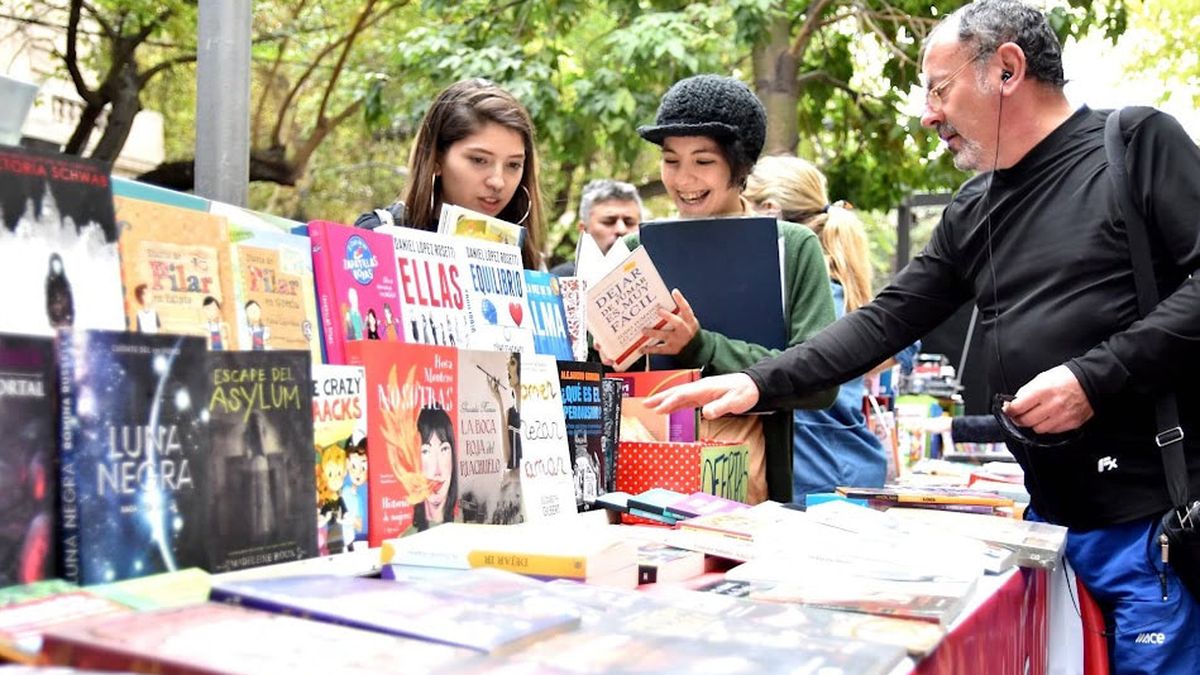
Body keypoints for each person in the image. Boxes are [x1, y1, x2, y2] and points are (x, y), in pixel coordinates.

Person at [646, 2, 1200, 670]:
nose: (928, 114)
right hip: (1051, 530)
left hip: (1152, 527)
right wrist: (760, 378)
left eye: (940, 90)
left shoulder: (1135, 144)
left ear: (1007, 69)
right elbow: (885, 319)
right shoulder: (975, 206)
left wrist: (1094, 377)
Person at [622, 74, 838, 504]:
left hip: (751, 476)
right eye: (670, 160)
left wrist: (700, 346)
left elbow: (821, 380)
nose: (684, 179)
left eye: (703, 161)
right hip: (644, 466)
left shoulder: (792, 248)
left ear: (739, 166)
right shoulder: (635, 250)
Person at [743, 155, 917, 500]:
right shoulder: (836, 288)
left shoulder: (814, 292)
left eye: (742, 208)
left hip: (820, 477)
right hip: (838, 464)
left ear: (769, 212)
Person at [355, 78, 548, 270]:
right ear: (437, 159)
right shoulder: (378, 236)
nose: (497, 182)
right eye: (479, 160)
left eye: (513, 165)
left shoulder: (531, 264)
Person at [550, 179, 643, 277]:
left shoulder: (658, 275)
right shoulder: (559, 281)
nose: (621, 229)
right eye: (609, 222)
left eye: (629, 222)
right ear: (583, 230)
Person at [412, 405, 458, 531]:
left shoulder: (466, 526)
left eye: (444, 449)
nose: (437, 471)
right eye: (425, 451)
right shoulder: (405, 539)